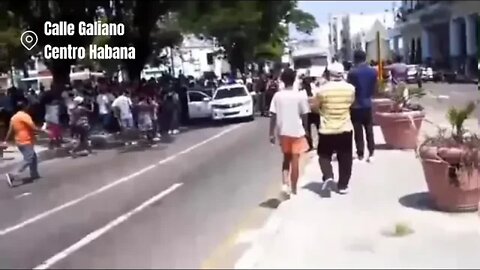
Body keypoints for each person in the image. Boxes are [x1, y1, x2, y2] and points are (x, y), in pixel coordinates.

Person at [312, 62, 355, 194]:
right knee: (346, 157)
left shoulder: (322, 90)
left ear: (328, 74)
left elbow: (314, 107)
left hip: (327, 129)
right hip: (345, 128)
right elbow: (351, 104)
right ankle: (343, 185)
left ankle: (328, 176)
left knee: (324, 155)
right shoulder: (350, 88)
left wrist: (322, 112)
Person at [269, 68, 310, 196]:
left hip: (283, 132)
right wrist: (307, 130)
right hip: (297, 131)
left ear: (282, 80)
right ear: (294, 80)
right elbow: (305, 115)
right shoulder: (299, 96)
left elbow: (273, 115)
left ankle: (285, 184)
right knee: (295, 160)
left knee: (286, 159)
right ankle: (293, 188)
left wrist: (271, 132)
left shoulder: (277, 96)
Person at [4, 100, 48, 186]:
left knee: (33, 157)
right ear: (24, 107)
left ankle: (34, 174)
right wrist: (44, 131)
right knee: (29, 159)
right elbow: (33, 127)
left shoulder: (14, 117)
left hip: (19, 141)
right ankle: (12, 174)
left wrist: (6, 140)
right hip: (26, 140)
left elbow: (10, 130)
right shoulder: (25, 116)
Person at [347, 50, 377, 162]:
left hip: (355, 105)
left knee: (358, 130)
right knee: (369, 129)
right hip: (368, 103)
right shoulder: (373, 72)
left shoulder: (352, 72)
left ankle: (360, 153)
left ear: (355, 59)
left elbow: (350, 89)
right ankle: (372, 152)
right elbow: (375, 88)